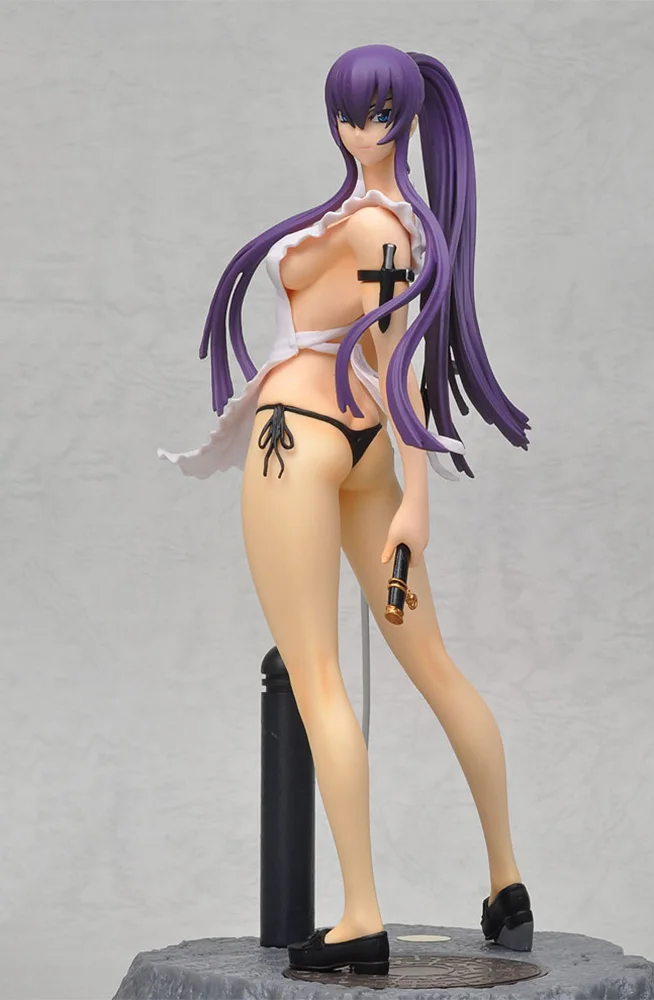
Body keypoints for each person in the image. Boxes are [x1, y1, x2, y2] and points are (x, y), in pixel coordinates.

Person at [158, 43, 533, 976]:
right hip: (365, 449)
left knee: (318, 676)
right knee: (434, 667)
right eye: (348, 114)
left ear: (406, 118)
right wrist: (409, 498)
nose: (360, 130)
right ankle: (508, 884)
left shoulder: (374, 229)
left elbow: (396, 358)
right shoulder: (400, 225)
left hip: (296, 439)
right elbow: (394, 369)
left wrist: (420, 503)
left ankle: (361, 916)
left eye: (379, 115)